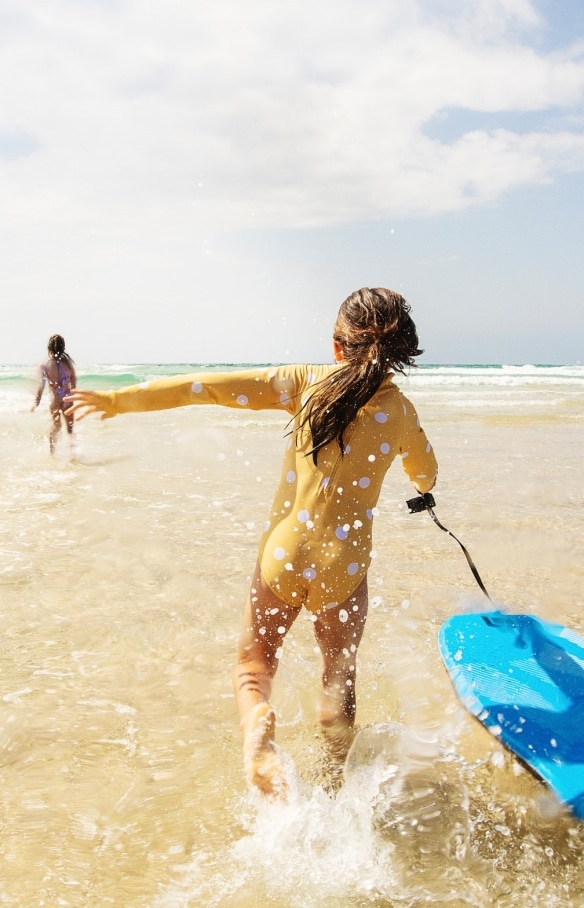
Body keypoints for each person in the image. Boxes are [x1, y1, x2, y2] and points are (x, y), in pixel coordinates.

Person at [65, 288, 438, 798]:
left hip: (283, 555)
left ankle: (259, 735)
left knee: (255, 661)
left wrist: (115, 400)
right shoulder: (401, 413)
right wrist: (423, 488)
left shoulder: (303, 383)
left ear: (336, 345)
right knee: (339, 674)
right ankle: (335, 780)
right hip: (344, 568)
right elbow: (426, 469)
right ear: (401, 350)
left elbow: (205, 387)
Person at [31, 334, 77, 455]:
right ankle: (73, 455)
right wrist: (75, 397)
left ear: (49, 347)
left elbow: (41, 385)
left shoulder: (44, 365)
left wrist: (36, 402)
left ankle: (52, 453)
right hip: (68, 400)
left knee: (56, 426)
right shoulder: (68, 363)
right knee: (70, 429)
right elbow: (73, 382)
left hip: (54, 401)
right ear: (63, 347)